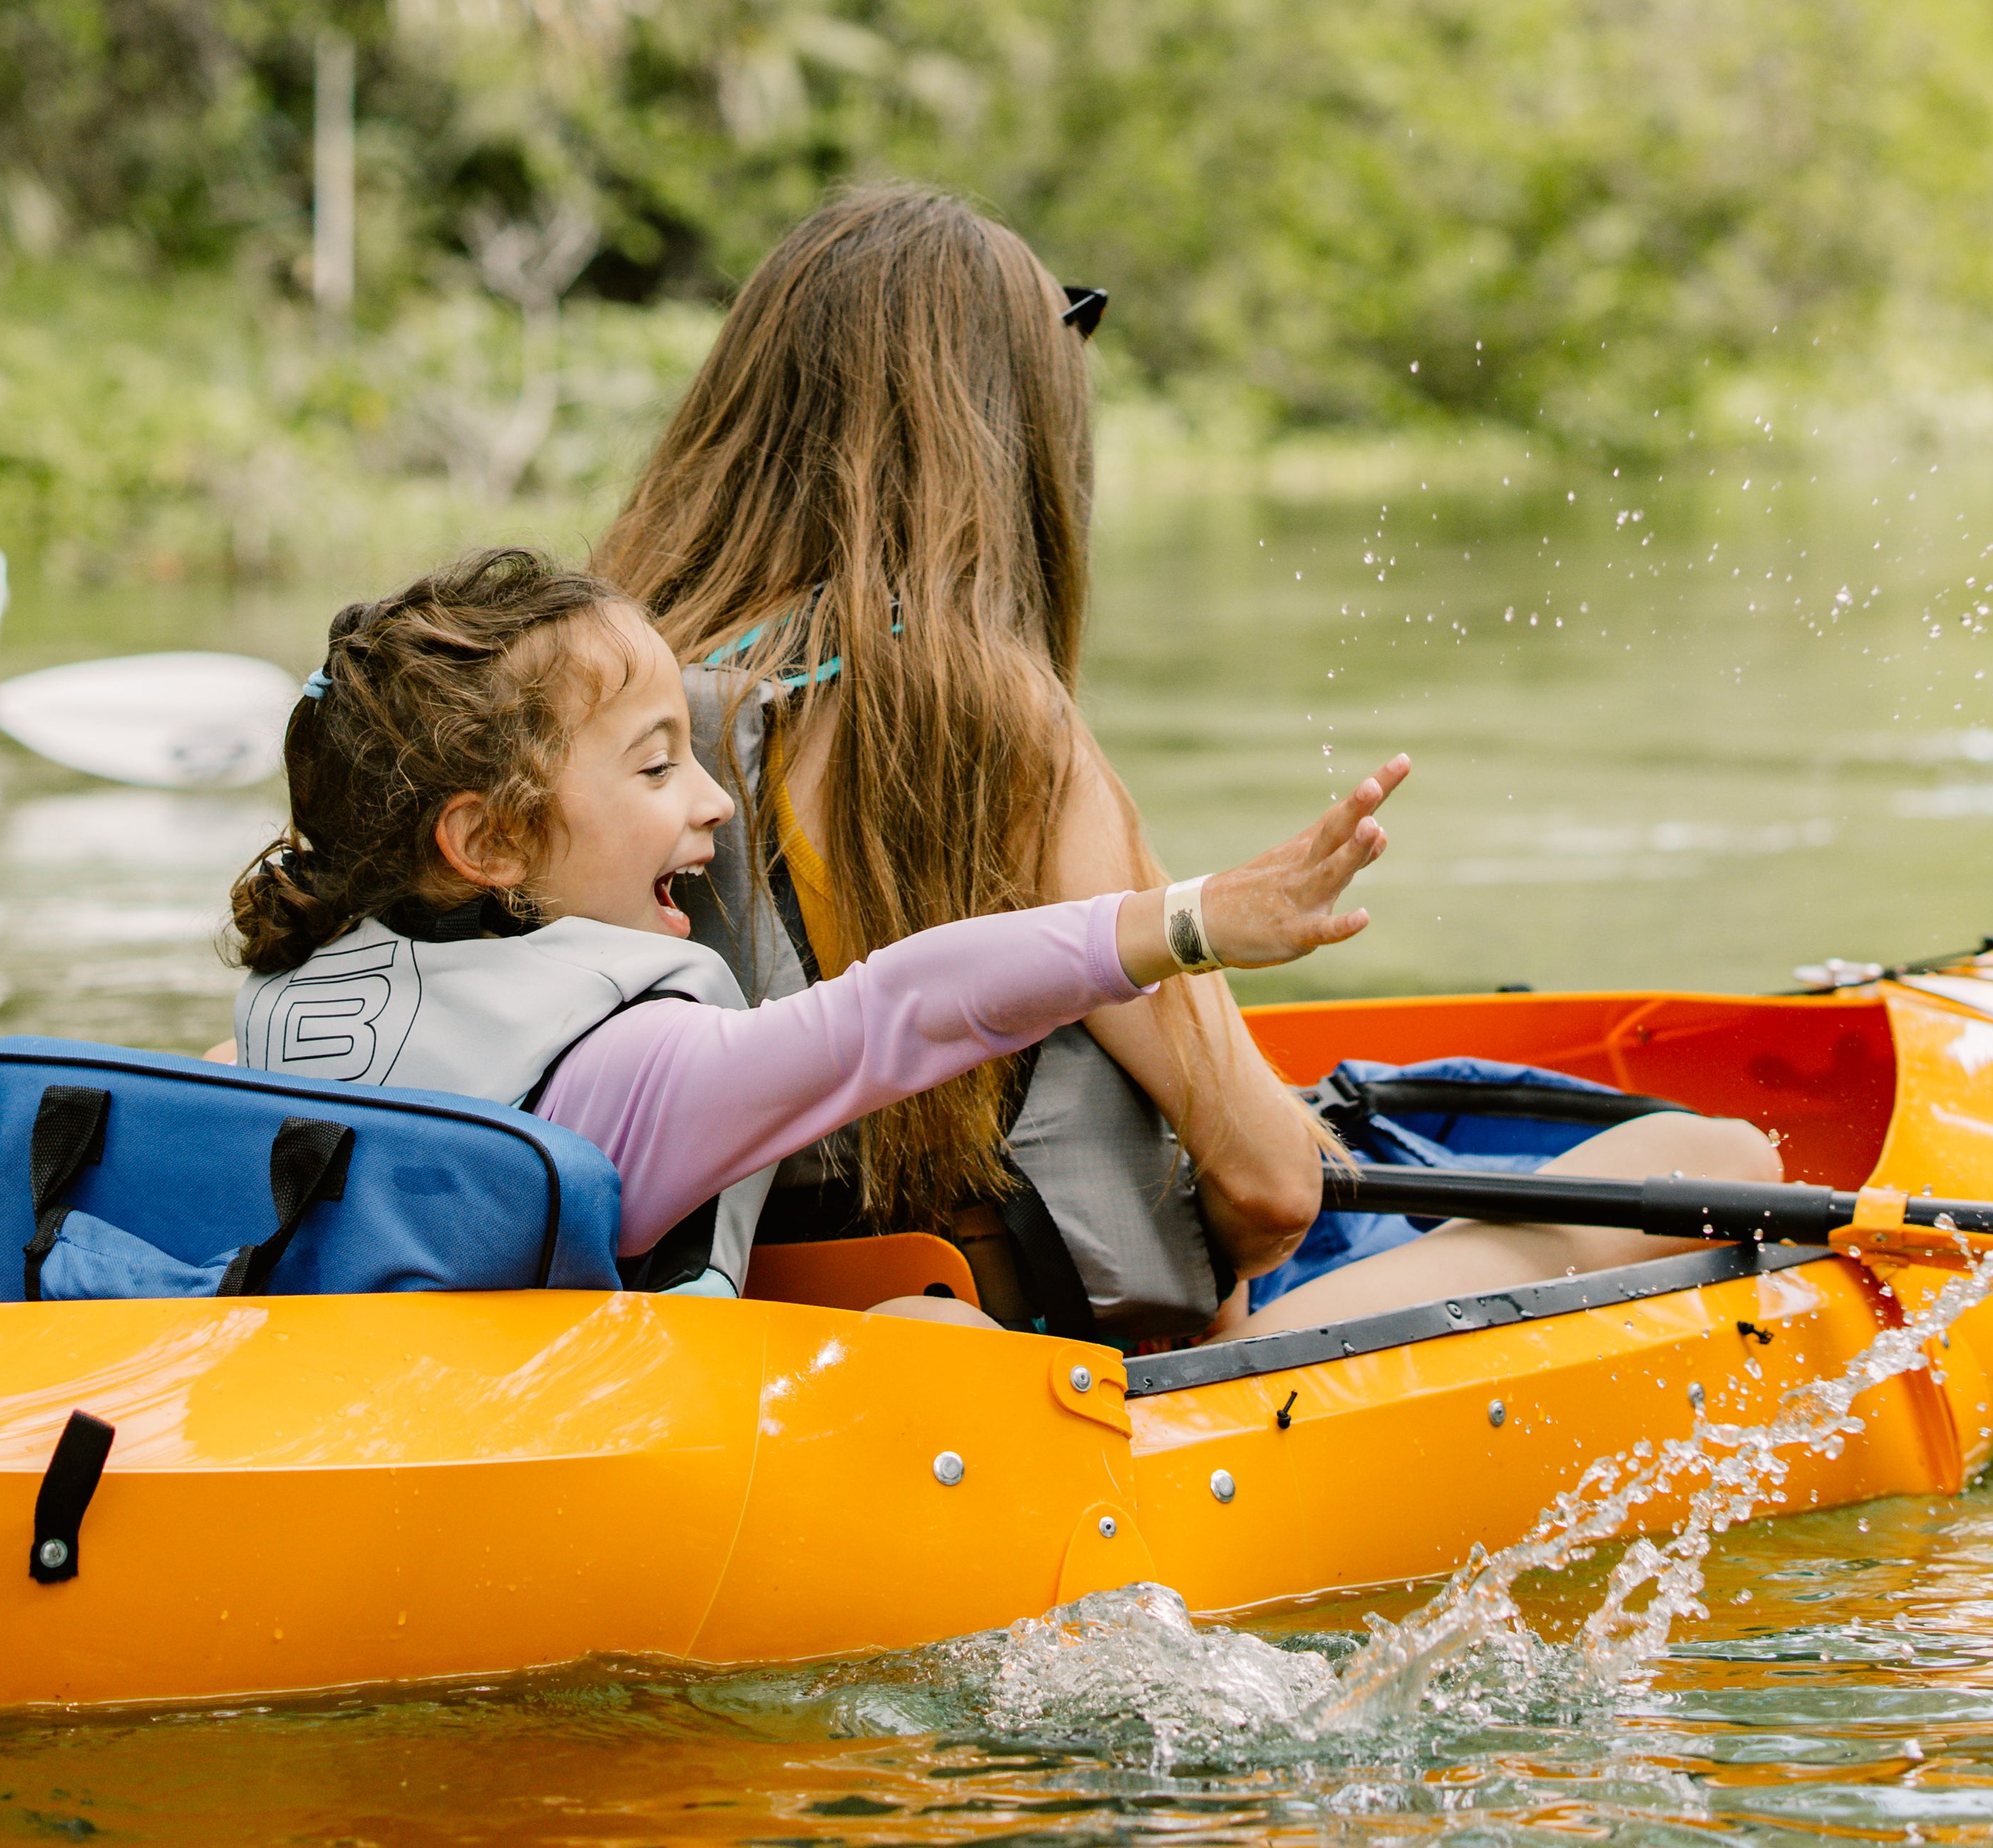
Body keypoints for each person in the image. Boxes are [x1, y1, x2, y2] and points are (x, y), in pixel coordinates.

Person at [591, 183, 1779, 1345]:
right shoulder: (996, 722)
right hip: (1052, 1370)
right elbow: (1267, 1190)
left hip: (748, 1341)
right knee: (1720, 1161)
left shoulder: (603, 699)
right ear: (1005, 431)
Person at [208, 548, 1401, 1325]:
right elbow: (908, 1005)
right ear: (489, 842)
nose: (713, 805)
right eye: (658, 764)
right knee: (929, 1336)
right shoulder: (632, 1071)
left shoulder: (281, 1018)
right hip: (587, 1489)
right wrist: (1185, 920)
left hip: (380, 1416)